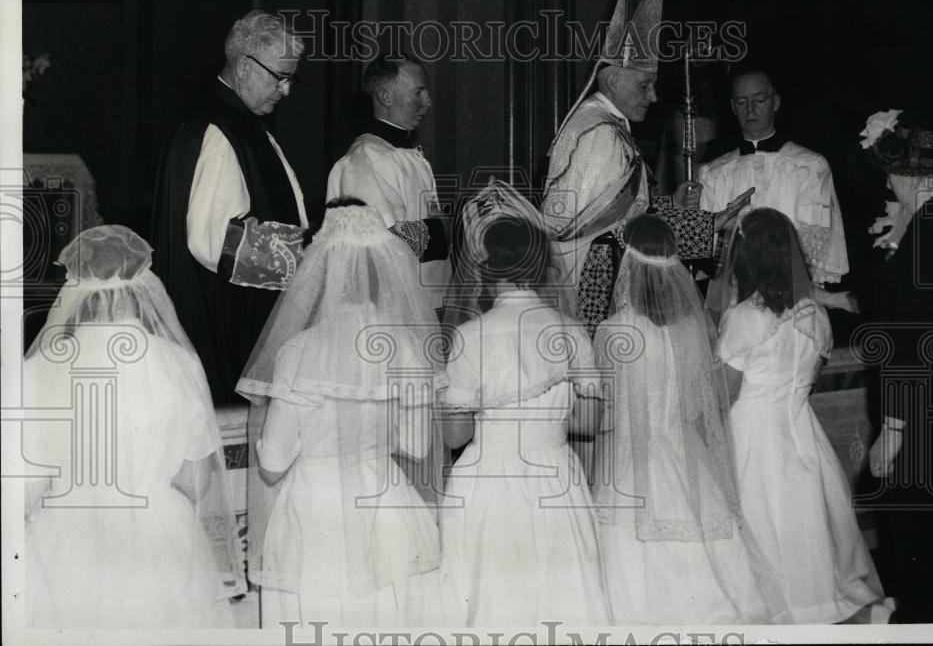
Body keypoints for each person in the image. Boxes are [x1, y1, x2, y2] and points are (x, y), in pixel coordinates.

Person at [23, 226, 244, 628]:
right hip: (159, 539)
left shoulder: (37, 369)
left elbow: (23, 490)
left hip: (65, 544)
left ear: (72, 290)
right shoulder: (176, 363)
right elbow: (196, 483)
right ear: (144, 287)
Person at [237, 202, 445, 628]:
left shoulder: (298, 351)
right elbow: (418, 446)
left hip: (316, 514)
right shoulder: (403, 348)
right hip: (386, 507)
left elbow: (273, 464)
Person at [818, 110, 933, 623]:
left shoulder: (931, 227)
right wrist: (837, 298)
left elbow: (911, 339)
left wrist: (891, 429)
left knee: (923, 545)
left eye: (891, 176)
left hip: (925, 422)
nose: (890, 187)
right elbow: (904, 302)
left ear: (907, 176)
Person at [592, 214, 788, 624]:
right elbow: (698, 409)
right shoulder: (689, 328)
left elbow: (606, 416)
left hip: (631, 461)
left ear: (627, 266)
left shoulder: (613, 332)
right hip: (684, 454)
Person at [542, 0, 750, 334]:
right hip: (596, 289)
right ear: (614, 79)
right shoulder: (599, 135)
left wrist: (674, 205)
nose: (653, 97)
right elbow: (596, 232)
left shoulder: (607, 125)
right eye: (644, 85)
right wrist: (705, 227)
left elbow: (624, 211)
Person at [717, 208, 891, 623]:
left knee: (765, 521)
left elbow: (725, 392)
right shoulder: (816, 315)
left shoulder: (743, 318)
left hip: (752, 431)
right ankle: (838, 603)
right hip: (799, 426)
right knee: (805, 518)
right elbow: (807, 379)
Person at [438, 215, 611, 626]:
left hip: (486, 482)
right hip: (555, 476)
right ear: (541, 269)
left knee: (491, 604)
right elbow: (588, 423)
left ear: (487, 269)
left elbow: (455, 433)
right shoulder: (570, 331)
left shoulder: (469, 336)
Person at [151, 10, 309, 405]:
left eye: (291, 78)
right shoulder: (220, 132)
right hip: (229, 326)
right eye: (280, 76)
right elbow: (214, 241)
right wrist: (311, 255)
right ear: (243, 66)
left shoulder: (238, 124)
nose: (286, 90)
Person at [698, 68, 849, 287]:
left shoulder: (809, 166)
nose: (750, 109)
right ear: (732, 107)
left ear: (775, 103)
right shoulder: (713, 173)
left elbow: (817, 243)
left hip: (791, 289)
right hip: (732, 291)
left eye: (759, 100)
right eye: (741, 102)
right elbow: (708, 249)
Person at [326, 54, 451, 303]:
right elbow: (379, 246)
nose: (428, 102)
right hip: (394, 307)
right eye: (419, 92)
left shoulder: (402, 152)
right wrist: (446, 228)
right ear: (385, 97)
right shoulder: (366, 158)